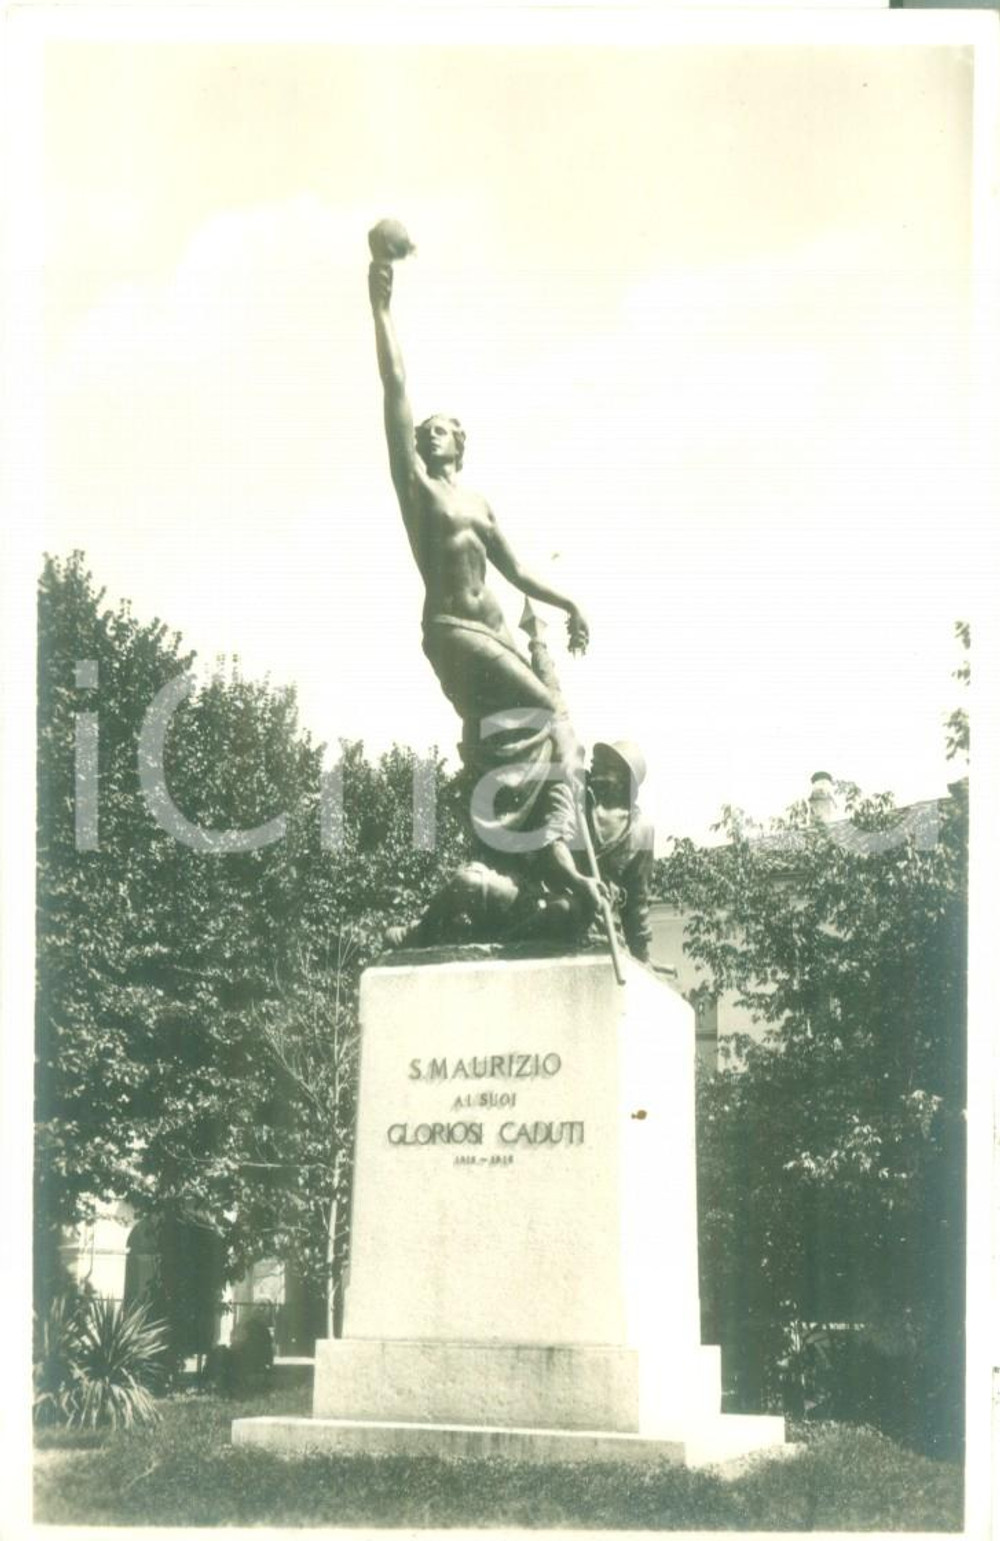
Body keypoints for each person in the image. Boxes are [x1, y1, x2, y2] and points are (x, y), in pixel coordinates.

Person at [368, 257, 602, 920]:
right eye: (425, 430)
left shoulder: (480, 502)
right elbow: (396, 388)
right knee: (544, 717)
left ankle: (523, 858)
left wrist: (570, 603)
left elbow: (520, 572)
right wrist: (381, 309)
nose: (428, 431)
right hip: (454, 634)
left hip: (497, 634)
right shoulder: (418, 492)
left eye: (441, 427)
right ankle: (539, 846)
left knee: (510, 737)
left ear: (460, 443)